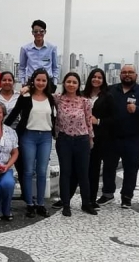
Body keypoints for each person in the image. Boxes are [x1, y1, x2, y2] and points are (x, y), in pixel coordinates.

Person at [99, 65, 139, 209]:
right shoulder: (110, 90)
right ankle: (107, 194)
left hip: (134, 138)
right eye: (124, 72)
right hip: (111, 136)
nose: (127, 75)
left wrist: (137, 109)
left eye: (130, 72)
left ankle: (127, 196)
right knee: (109, 167)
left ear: (136, 75)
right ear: (120, 75)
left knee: (131, 168)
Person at [5, 68, 56, 218]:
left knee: (41, 171)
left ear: (47, 82)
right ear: (33, 80)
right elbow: (14, 113)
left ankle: (40, 203)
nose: (40, 83)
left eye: (43, 80)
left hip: (45, 137)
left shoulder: (51, 98)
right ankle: (29, 204)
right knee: (27, 171)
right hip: (28, 136)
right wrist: (0, 128)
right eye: (38, 80)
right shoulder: (26, 96)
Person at [53, 72, 97, 217]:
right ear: (64, 83)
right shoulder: (58, 99)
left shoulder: (85, 101)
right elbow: (42, 90)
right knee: (65, 172)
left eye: (74, 82)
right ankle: (66, 204)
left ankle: (86, 203)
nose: (71, 85)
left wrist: (91, 138)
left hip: (82, 139)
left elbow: (88, 121)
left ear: (78, 85)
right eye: (68, 82)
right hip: (64, 140)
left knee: (83, 173)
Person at [83, 68, 117, 210]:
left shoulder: (108, 96)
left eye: (100, 77)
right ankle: (68, 197)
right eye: (94, 77)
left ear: (103, 80)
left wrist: (99, 121)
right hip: (81, 136)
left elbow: (114, 118)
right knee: (80, 168)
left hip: (99, 137)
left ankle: (91, 199)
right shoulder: (82, 95)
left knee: (94, 168)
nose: (96, 79)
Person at [18, 20, 59, 92]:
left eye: (41, 31)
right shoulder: (25, 49)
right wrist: (23, 83)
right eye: (35, 31)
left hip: (48, 82)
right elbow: (22, 68)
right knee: (30, 103)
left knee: (48, 103)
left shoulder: (52, 48)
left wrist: (54, 83)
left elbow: (55, 67)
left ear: (45, 32)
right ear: (32, 33)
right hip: (31, 82)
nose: (38, 33)